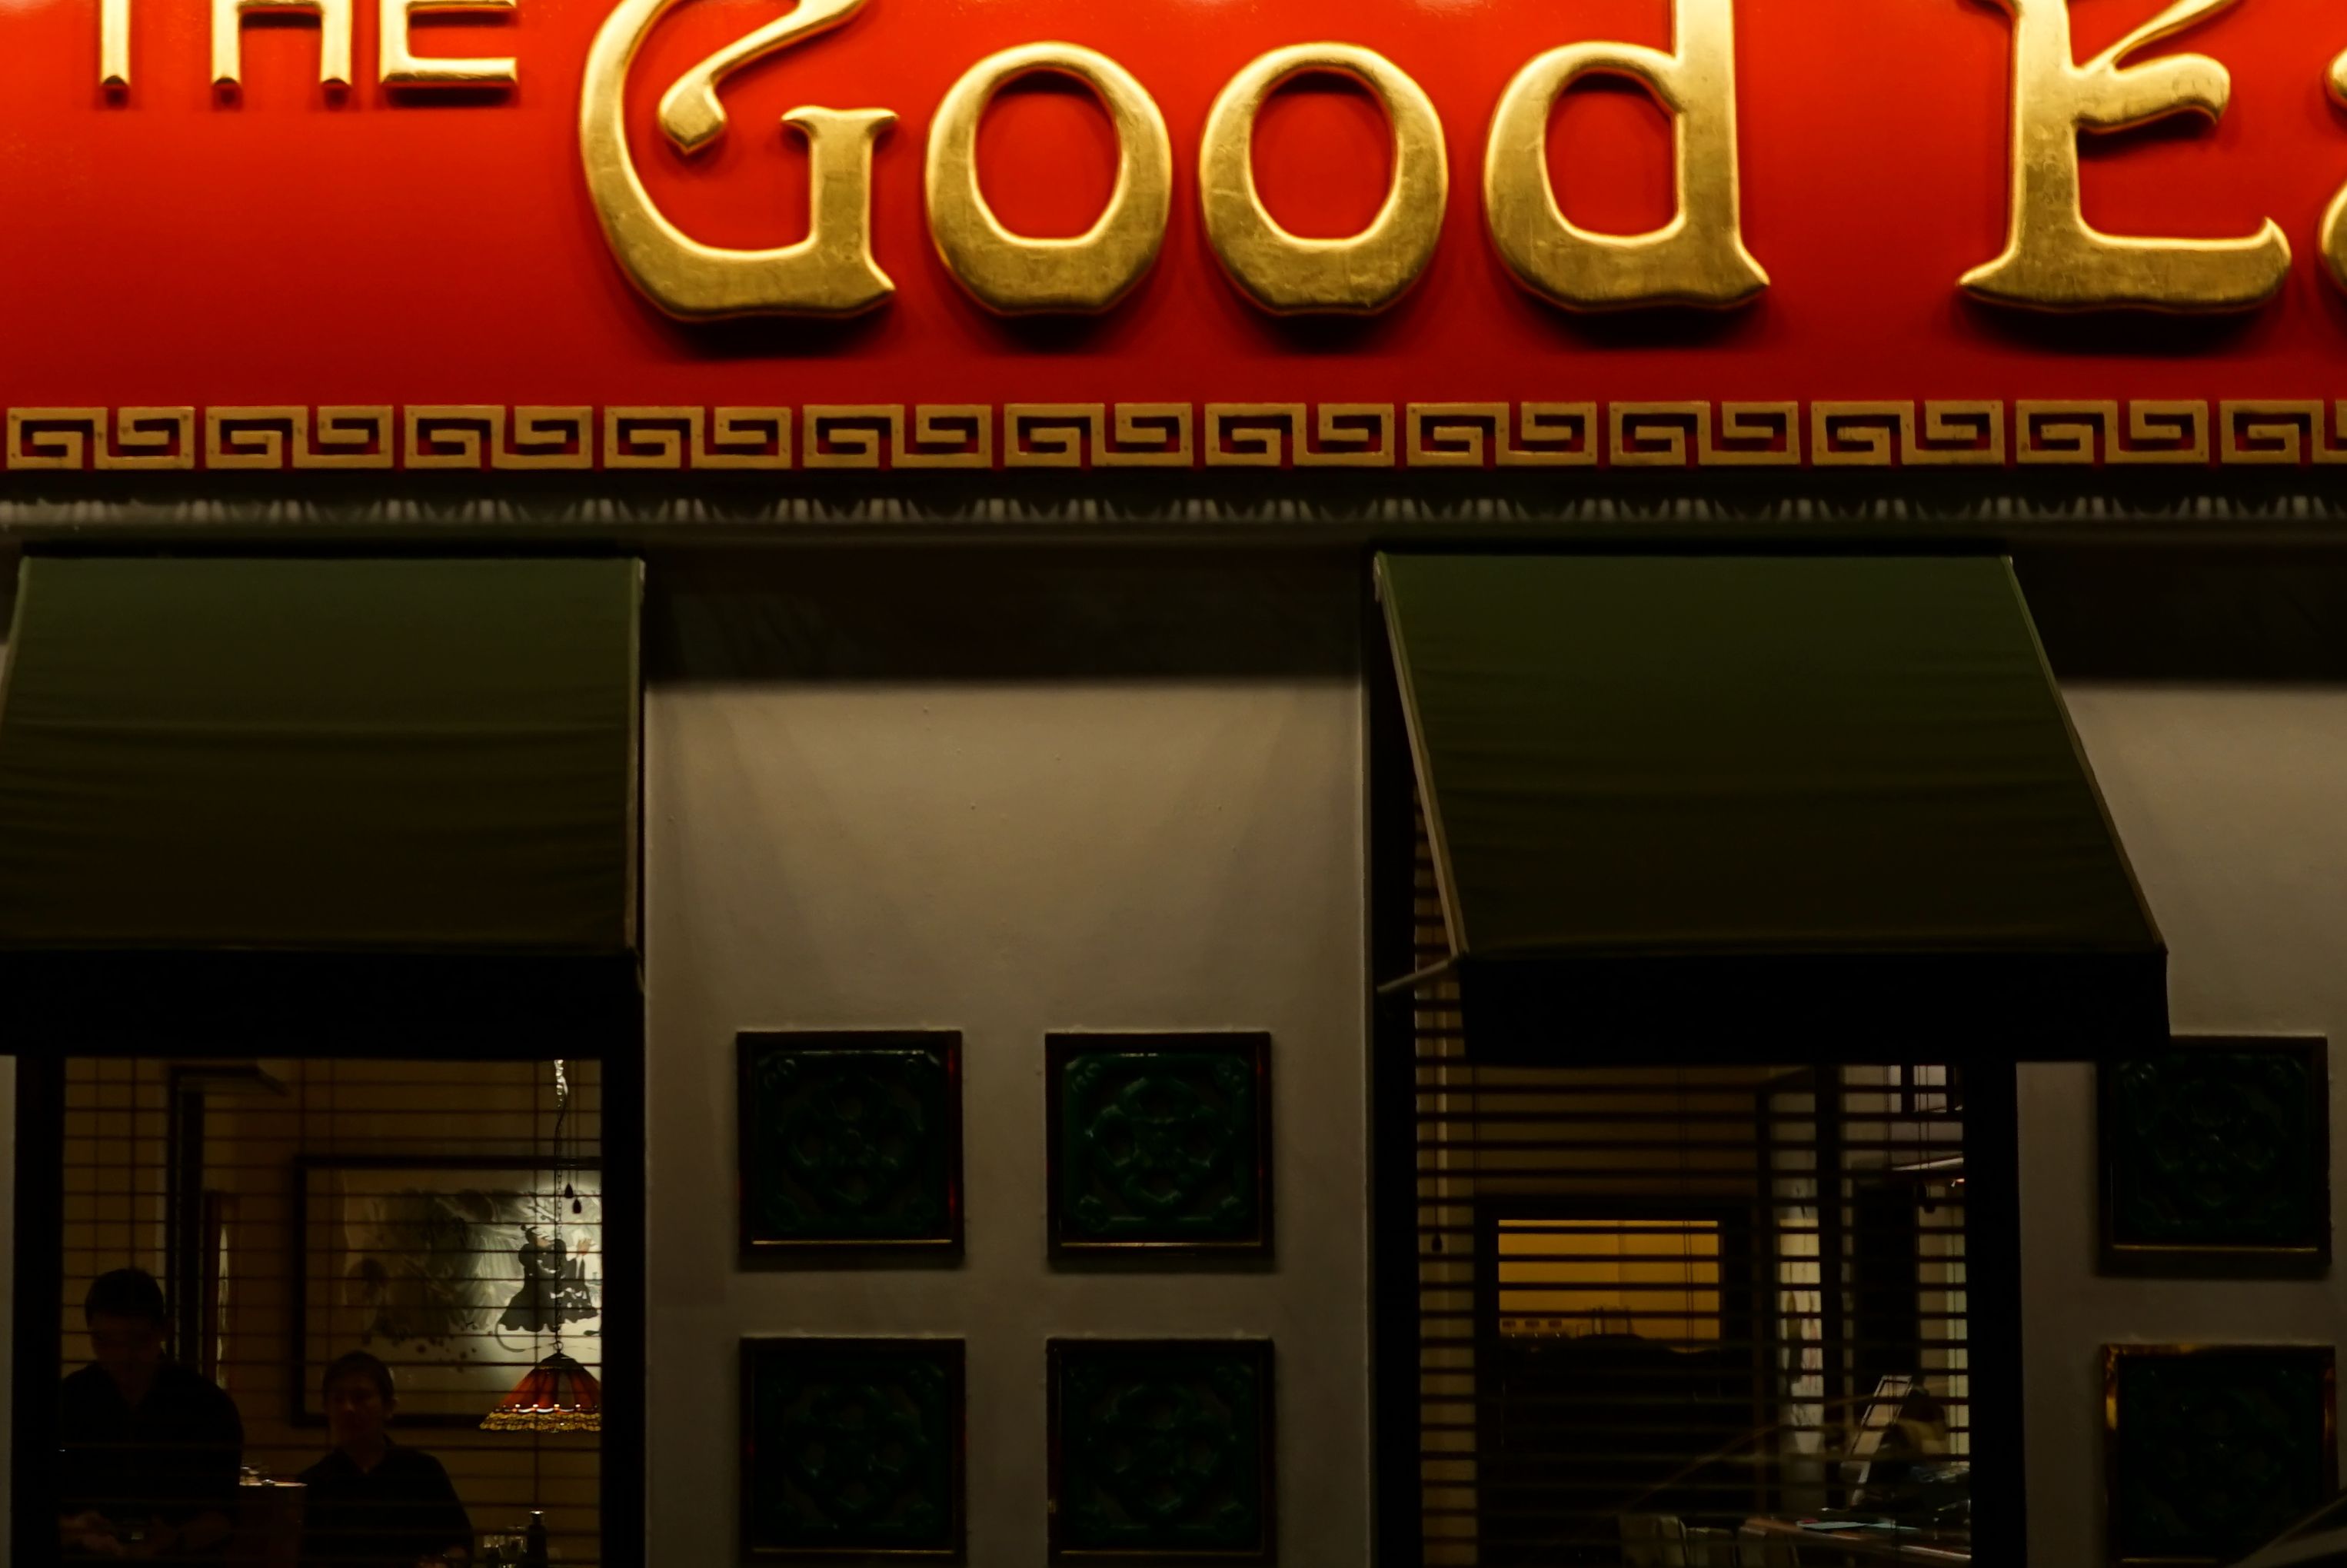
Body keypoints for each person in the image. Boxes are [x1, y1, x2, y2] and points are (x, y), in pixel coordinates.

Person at [59, 1267, 244, 1562]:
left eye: (136, 1340)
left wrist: (176, 1540)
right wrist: (75, 1530)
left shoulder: (206, 1406)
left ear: (163, 1331)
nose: (121, 1355)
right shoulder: (68, 1401)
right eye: (104, 1341)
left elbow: (223, 1514)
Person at [298, 1351, 473, 1568]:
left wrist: (443, 1563)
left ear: (389, 1407)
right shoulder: (312, 1485)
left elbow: (461, 1543)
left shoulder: (423, 1472)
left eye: (360, 1397)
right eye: (338, 1399)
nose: (348, 1408)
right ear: (326, 1409)